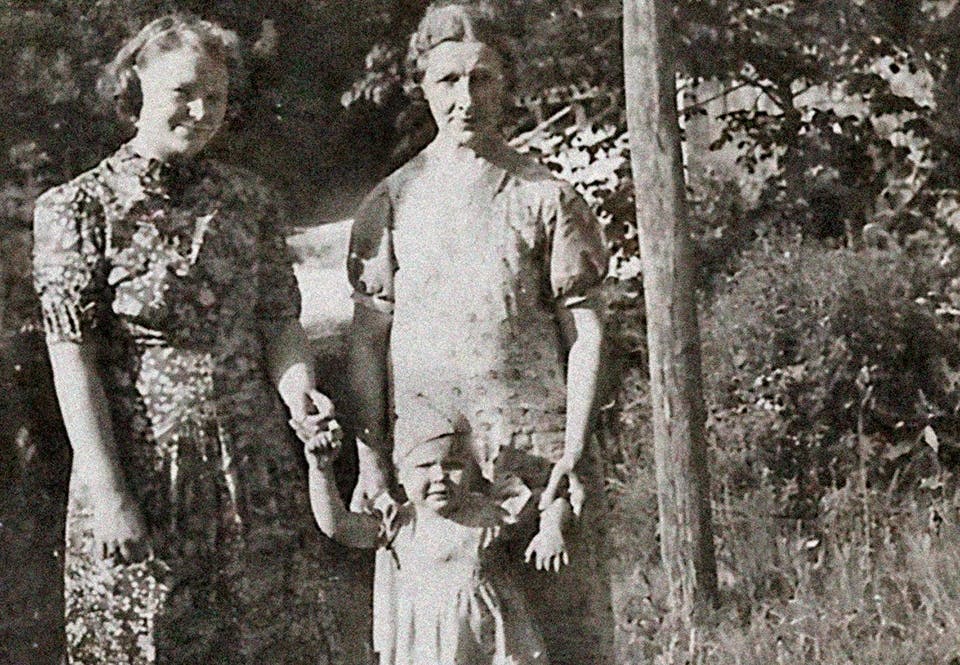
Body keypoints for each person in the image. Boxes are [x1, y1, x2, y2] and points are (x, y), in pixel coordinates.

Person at [32, 15, 357, 664]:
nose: (203, 110)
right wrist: (110, 495)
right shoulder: (80, 208)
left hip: (255, 474)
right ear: (136, 86)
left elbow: (277, 322)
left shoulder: (249, 201)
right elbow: (73, 358)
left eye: (217, 95)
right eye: (184, 91)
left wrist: (301, 395)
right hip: (145, 477)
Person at [346, 2, 614, 662]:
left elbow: (586, 332)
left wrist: (573, 450)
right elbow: (366, 341)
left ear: (505, 84)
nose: (465, 98)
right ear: (423, 86)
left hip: (535, 462)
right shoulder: (392, 202)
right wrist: (371, 456)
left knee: (555, 638)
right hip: (433, 471)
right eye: (447, 81)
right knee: (443, 639)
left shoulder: (546, 197)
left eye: (482, 79)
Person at [303, 402, 570, 665]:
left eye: (453, 464)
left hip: (492, 644)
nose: (439, 475)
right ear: (401, 474)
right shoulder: (400, 523)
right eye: (424, 466)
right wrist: (321, 471)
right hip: (428, 647)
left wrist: (551, 531)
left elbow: (550, 501)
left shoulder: (488, 515)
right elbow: (338, 527)